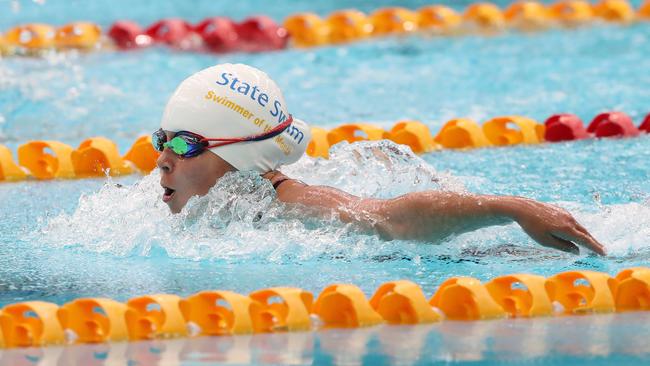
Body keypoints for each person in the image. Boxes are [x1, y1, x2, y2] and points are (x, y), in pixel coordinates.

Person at [154, 63, 606, 256]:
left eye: (185, 144)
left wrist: (513, 208)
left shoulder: (292, 204)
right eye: (163, 139)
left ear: (241, 155)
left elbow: (394, 221)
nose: (161, 160)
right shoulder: (193, 198)